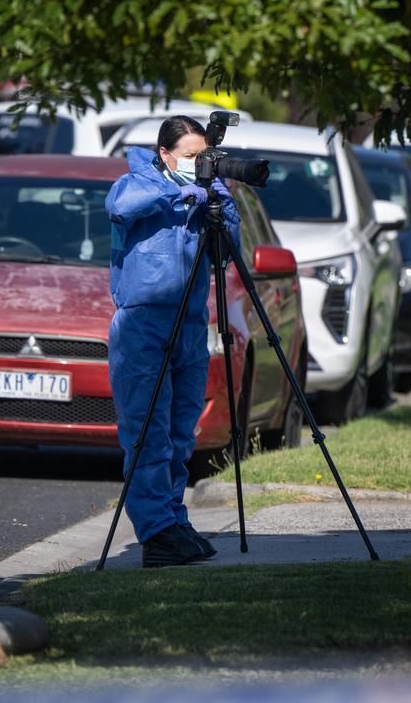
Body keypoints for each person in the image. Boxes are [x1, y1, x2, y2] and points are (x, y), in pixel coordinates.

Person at [105, 116, 240, 568]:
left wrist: (222, 205)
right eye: (189, 157)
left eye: (202, 157)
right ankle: (156, 531)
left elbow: (227, 258)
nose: (197, 165)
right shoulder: (137, 181)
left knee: (182, 434)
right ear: (164, 155)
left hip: (189, 326)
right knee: (149, 434)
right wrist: (180, 191)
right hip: (143, 325)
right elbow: (120, 207)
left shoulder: (205, 192)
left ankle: (173, 517)